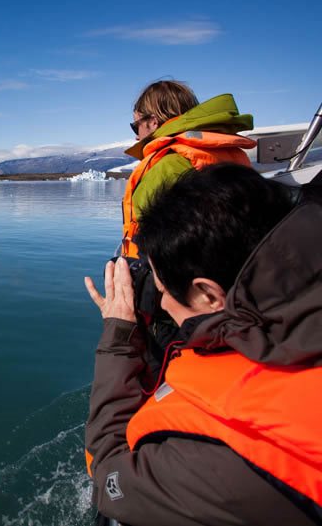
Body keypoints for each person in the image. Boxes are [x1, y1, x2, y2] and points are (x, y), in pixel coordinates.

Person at [83, 164, 322, 526]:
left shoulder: (217, 461)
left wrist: (118, 337)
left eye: (162, 291)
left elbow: (111, 478)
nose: (161, 303)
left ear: (209, 294)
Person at [120, 81, 256, 258]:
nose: (136, 135)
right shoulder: (225, 153)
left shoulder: (167, 167)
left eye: (135, 125)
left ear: (153, 122)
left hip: (175, 278)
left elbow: (158, 243)